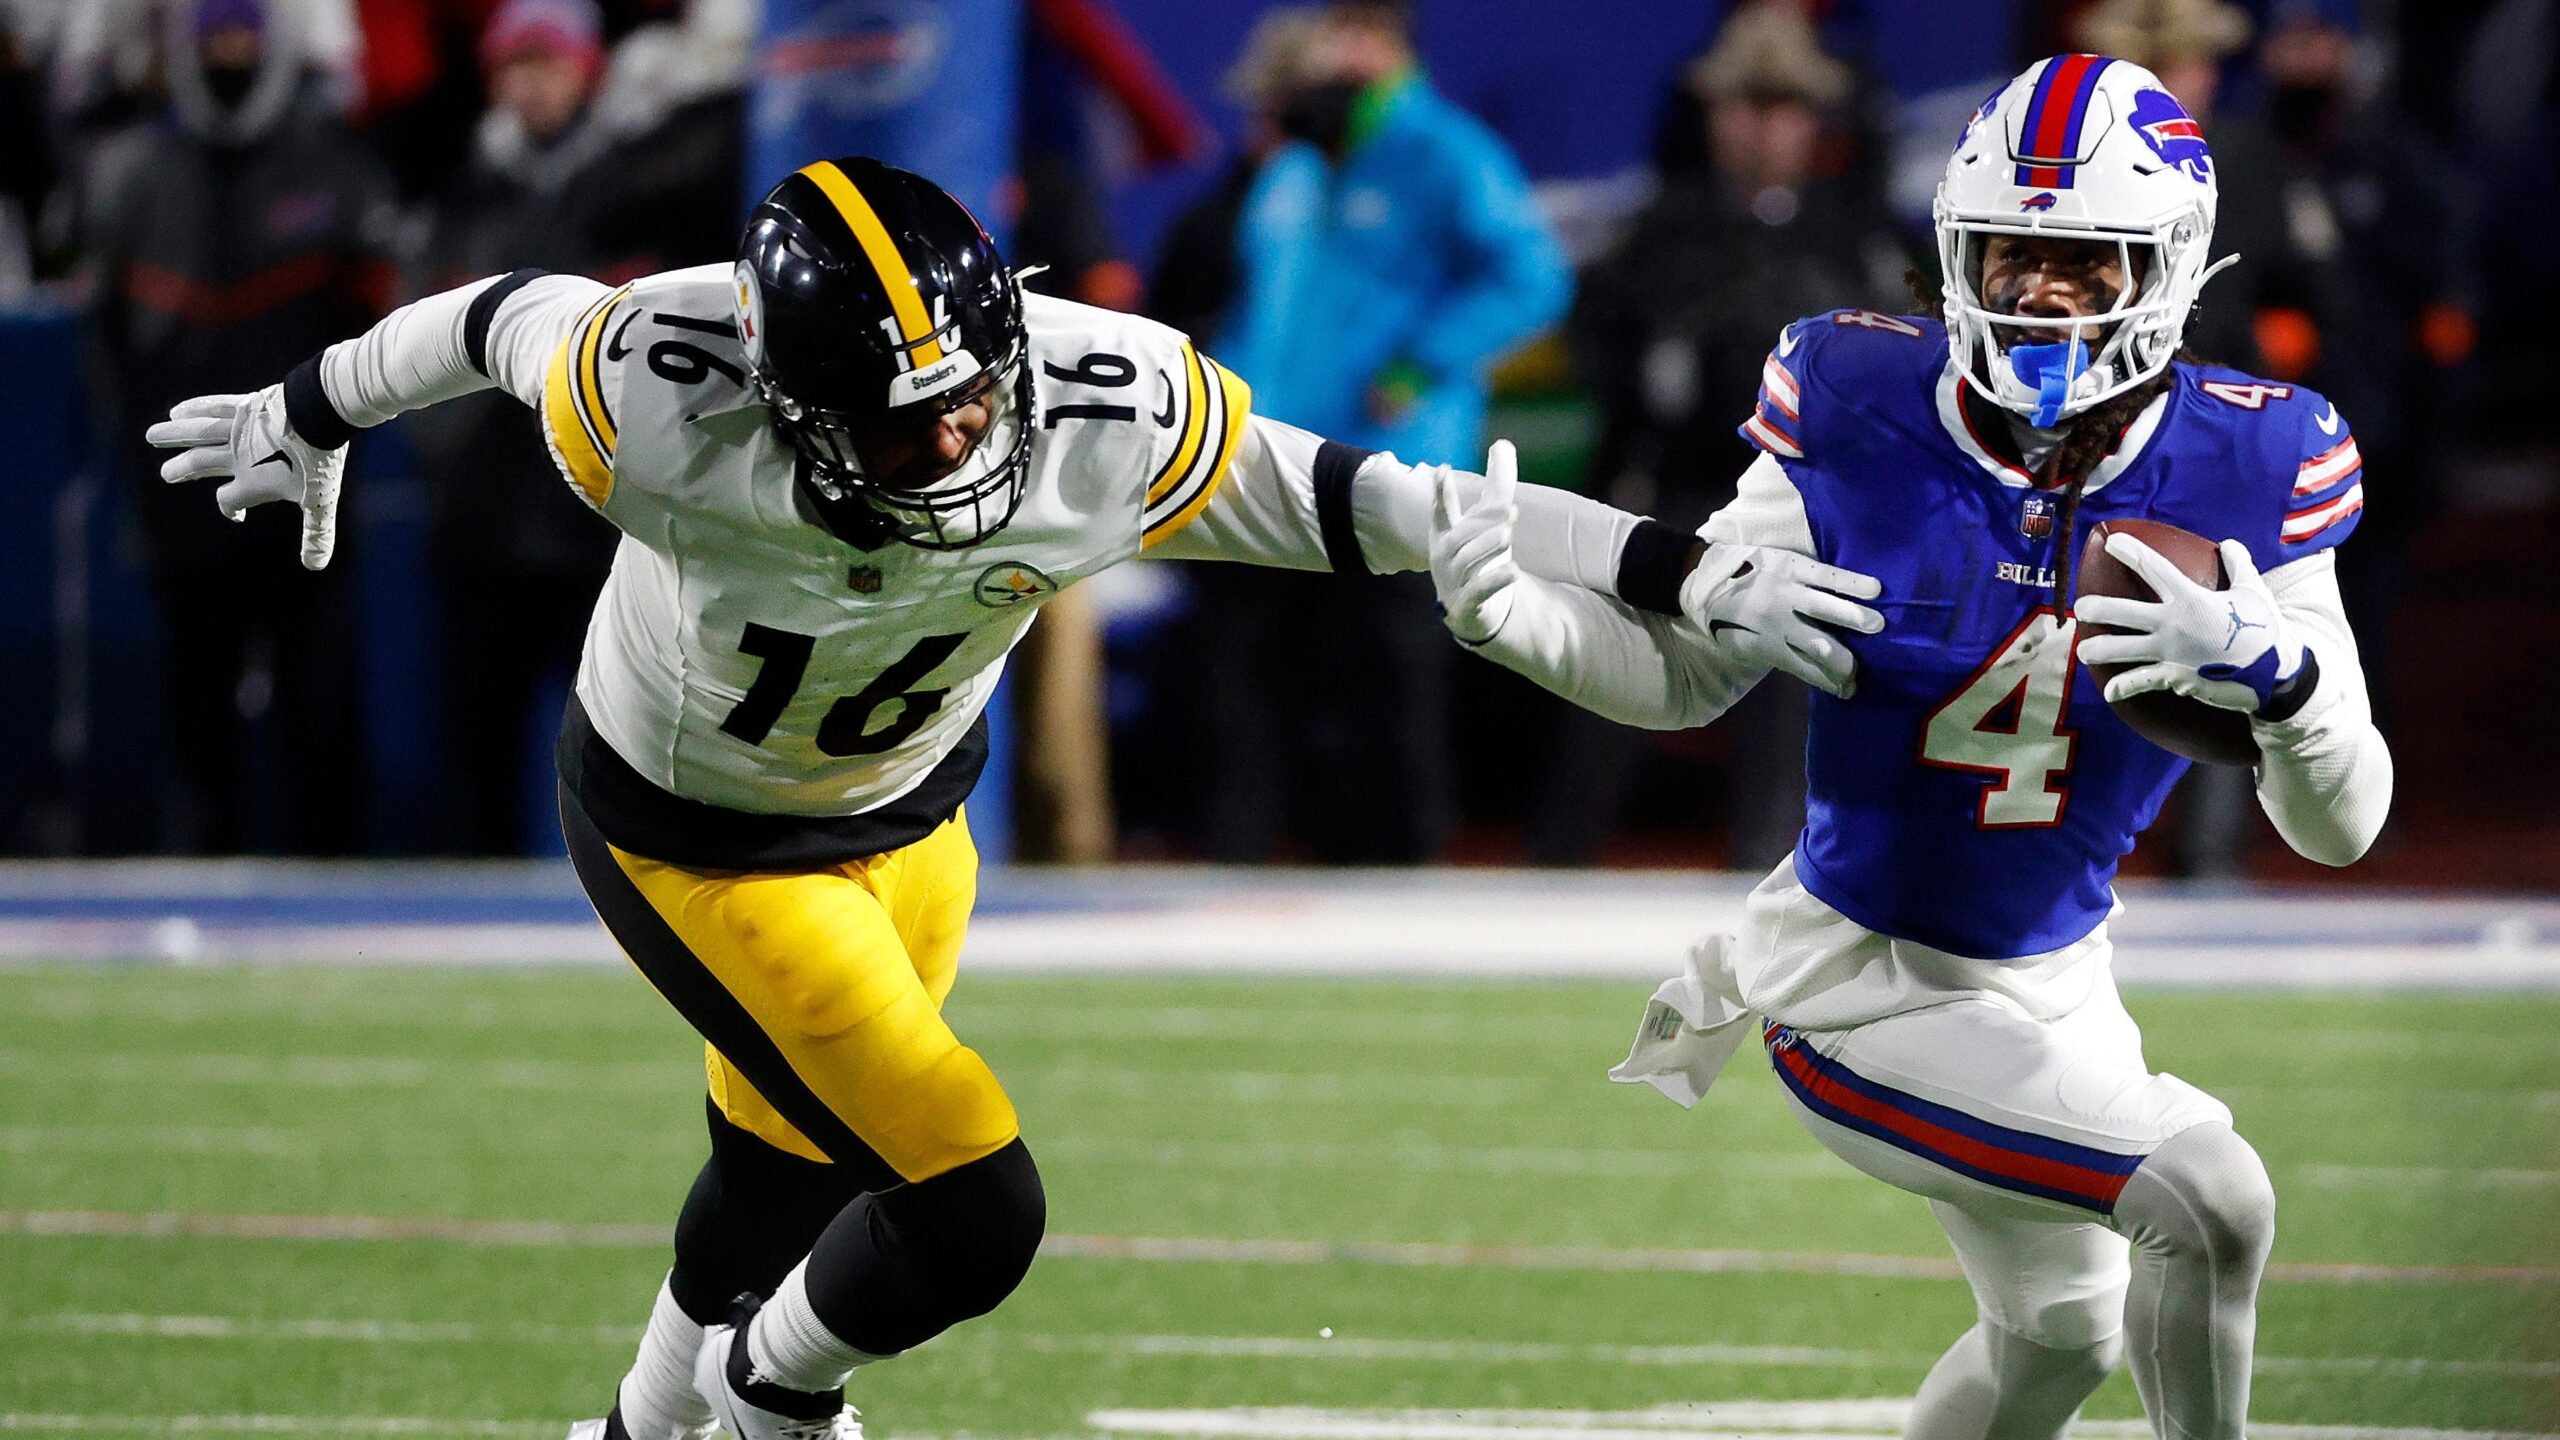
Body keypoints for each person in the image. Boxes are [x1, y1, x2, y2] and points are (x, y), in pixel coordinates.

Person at [144, 158, 1667, 1440]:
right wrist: (313, 405)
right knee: (970, 1204)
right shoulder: (658, 403)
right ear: (791, 404)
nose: (950, 444)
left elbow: (1383, 499)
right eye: (894, 424)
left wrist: (1671, 570)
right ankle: (771, 1402)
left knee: (779, 1171)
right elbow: (496, 320)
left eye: (966, 400)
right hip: (702, 839)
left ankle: (638, 1427)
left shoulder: (1099, 403)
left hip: (918, 813)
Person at [1425, 56, 2389, 1439]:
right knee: (2214, 1196)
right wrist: (1510, 614)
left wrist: (2284, 687)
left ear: (2165, 268)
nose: (2035, 291)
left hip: (2056, 977)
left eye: (2082, 259)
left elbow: (2342, 823)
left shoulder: (2256, 461)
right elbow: (1691, 675)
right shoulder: (1858, 399)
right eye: (2011, 250)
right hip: (1859, 982)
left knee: (2062, 1339)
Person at [1536, 2, 1910, 868]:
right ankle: (1554, 868)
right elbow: (1598, 341)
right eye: (1744, 104)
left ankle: (1774, 870)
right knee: (1611, 683)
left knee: (1800, 698)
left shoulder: (1856, 236)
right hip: (1680, 493)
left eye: (1784, 106)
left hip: (1814, 511)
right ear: (1712, 113)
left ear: (1815, 119)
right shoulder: (1660, 230)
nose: (1763, 126)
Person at [1201, 0, 1572, 862]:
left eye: (1343, 39)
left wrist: (1420, 361)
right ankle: (1243, 875)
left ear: (1383, 46)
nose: (1323, 61)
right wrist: (1218, 403)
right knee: (1261, 686)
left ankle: (1401, 874)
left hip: (1397, 474)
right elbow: (1265, 310)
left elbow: (1534, 276)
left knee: (1384, 686)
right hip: (1275, 470)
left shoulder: (1446, 153)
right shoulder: (1293, 170)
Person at [406, 0, 742, 852]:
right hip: (483, 513)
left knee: (623, 743)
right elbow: (410, 339)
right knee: (476, 745)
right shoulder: (460, 192)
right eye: (516, 64)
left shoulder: (644, 184)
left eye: (548, 62)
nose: (533, 83)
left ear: (585, 70)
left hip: (602, 512)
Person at [80, 0, 392, 853]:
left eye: (242, 42)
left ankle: (335, 880)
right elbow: (105, 341)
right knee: (194, 702)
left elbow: (382, 335)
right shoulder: (134, 174)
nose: (228, 57)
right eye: (213, 42)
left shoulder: (332, 168)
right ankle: (201, 870)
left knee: (318, 701)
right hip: (183, 492)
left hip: (308, 489)